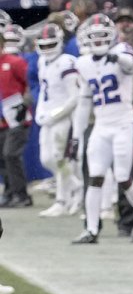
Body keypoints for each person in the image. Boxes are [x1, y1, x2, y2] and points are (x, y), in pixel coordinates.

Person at [70, 14, 133, 244]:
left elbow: (129, 65)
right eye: (94, 36)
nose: (98, 40)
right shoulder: (84, 63)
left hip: (123, 122)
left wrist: (113, 56)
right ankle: (91, 228)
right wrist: (77, 136)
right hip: (101, 124)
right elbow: (84, 101)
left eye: (102, 35)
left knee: (123, 177)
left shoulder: (122, 51)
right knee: (95, 177)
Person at [28, 23, 83, 218]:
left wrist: (56, 114)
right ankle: (77, 187)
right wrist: (42, 112)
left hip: (63, 117)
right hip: (47, 116)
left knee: (60, 159)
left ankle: (62, 199)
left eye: (51, 44)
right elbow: (44, 91)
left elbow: (74, 96)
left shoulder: (67, 62)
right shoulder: (42, 63)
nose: (47, 49)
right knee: (47, 159)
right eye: (44, 45)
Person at [0, 25, 32, 208]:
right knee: (3, 158)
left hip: (17, 117)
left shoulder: (15, 62)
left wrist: (24, 104)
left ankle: (22, 194)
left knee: (11, 154)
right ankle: (11, 192)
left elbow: (31, 84)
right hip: (3, 119)